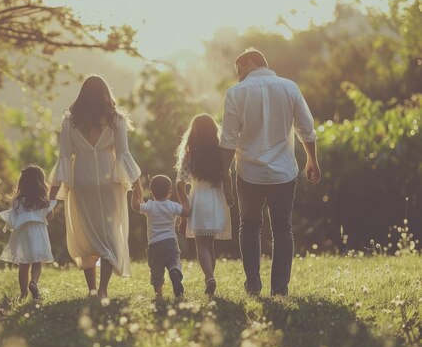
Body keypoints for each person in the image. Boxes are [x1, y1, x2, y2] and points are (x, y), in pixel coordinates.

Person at [219, 47, 321, 296]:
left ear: (250, 62)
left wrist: (224, 174)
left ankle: (253, 284)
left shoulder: (235, 93)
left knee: (250, 226)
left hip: (249, 173)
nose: (238, 75)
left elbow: (228, 139)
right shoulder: (289, 87)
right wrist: (312, 160)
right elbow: (306, 128)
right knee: (282, 229)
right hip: (283, 172)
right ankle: (279, 289)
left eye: (239, 69)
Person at [49, 75, 141, 299]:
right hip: (109, 181)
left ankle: (91, 289)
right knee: (109, 234)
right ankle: (103, 289)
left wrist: (51, 197)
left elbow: (63, 157)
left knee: (87, 234)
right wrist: (137, 184)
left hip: (82, 181)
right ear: (105, 94)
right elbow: (123, 154)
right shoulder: (115, 119)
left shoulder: (70, 121)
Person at [175, 114, 233, 296]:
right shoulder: (220, 153)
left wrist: (185, 202)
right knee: (210, 245)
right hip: (216, 199)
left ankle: (209, 277)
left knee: (201, 246)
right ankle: (210, 277)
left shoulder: (190, 155)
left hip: (199, 198)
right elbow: (227, 175)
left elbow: (179, 183)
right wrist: (229, 195)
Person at [0, 165, 56, 300]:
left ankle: (23, 293)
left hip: (23, 234)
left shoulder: (18, 201)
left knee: (23, 264)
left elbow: (13, 219)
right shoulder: (43, 201)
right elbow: (50, 216)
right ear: (41, 182)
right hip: (38, 234)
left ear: (22, 183)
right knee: (37, 263)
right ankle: (34, 282)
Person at [131, 175, 191, 298]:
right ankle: (175, 271)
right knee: (174, 261)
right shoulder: (172, 206)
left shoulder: (150, 206)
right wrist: (185, 200)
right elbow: (186, 212)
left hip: (154, 245)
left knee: (156, 271)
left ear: (152, 192)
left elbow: (136, 206)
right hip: (170, 242)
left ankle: (159, 294)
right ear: (169, 193)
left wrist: (135, 193)